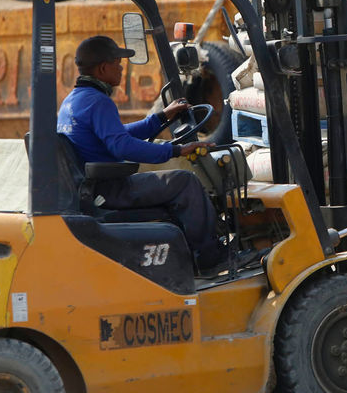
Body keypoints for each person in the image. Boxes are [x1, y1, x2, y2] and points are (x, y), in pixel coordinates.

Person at [57, 35, 227, 269]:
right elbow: (122, 146)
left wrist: (159, 118)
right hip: (112, 190)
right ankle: (210, 259)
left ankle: (186, 252)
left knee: (175, 184)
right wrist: (176, 150)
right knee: (185, 182)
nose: (121, 68)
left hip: (92, 188)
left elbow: (117, 134)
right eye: (117, 63)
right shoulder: (99, 102)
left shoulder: (73, 101)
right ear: (103, 68)